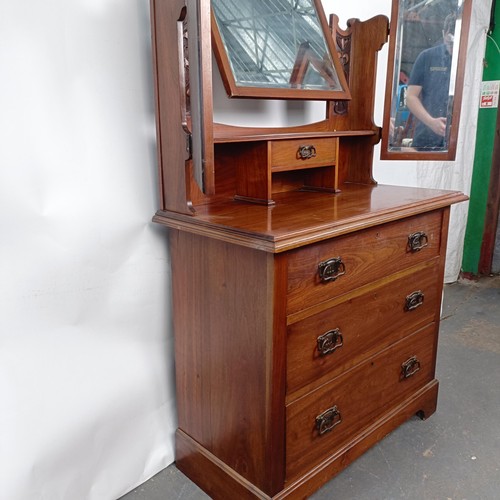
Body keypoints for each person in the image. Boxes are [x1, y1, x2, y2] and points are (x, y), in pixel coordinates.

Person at [406, 14, 456, 150]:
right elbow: (410, 97)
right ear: (443, 34)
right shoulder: (427, 57)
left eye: (457, 44)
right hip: (425, 137)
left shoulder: (468, 59)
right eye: (450, 43)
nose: (452, 49)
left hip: (459, 139)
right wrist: (431, 122)